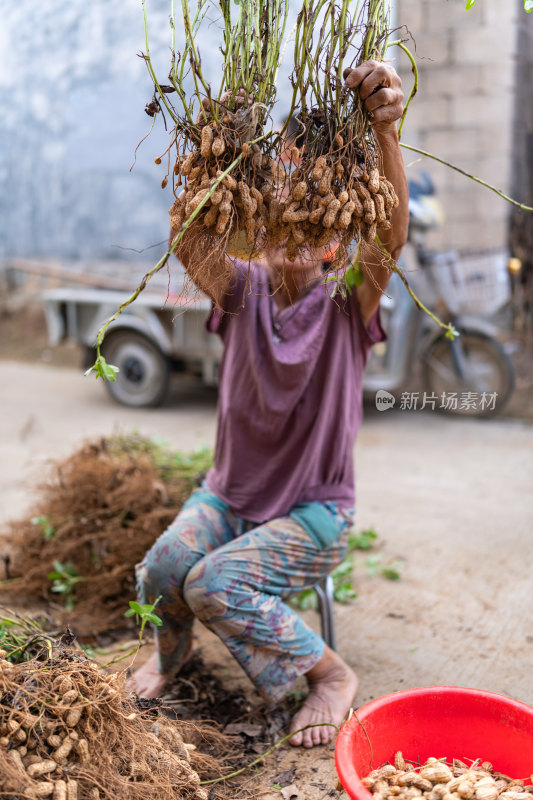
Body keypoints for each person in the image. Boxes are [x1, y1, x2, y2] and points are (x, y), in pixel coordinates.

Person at [131, 59, 409, 749]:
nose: (294, 230)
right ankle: (173, 655)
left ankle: (330, 676)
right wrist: (215, 141)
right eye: (285, 205)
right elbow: (190, 239)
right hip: (231, 495)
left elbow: (391, 239)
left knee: (213, 584)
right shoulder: (242, 289)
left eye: (313, 222)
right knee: (162, 570)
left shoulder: (348, 305)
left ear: (334, 241)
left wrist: (385, 130)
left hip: (314, 514)